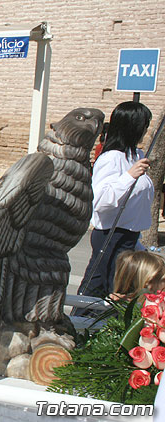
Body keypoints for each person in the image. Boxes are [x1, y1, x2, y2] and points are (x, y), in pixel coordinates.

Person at [76, 101, 154, 302]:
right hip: (112, 236)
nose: (146, 130)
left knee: (108, 290)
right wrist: (129, 176)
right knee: (108, 291)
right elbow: (100, 200)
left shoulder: (137, 155)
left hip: (129, 235)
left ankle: (95, 326)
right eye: (143, 124)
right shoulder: (111, 159)